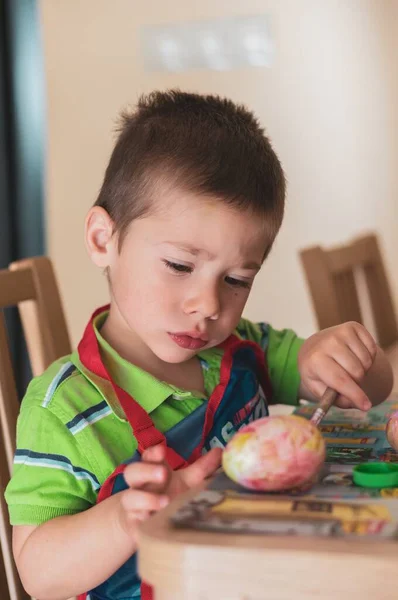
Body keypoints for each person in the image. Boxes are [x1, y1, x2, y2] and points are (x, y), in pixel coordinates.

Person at [5, 90, 393, 600]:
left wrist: (343, 357)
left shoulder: (241, 349)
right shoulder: (64, 409)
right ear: (104, 240)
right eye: (181, 266)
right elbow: (39, 574)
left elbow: (373, 389)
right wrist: (125, 519)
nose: (208, 304)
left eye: (236, 279)